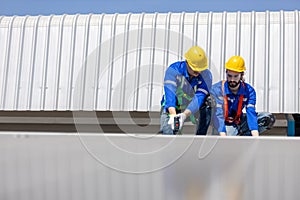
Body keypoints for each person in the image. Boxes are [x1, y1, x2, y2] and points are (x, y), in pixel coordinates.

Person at [210, 55, 275, 136]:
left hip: (239, 121)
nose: (232, 80)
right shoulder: (217, 90)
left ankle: (244, 139)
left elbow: (250, 112)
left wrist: (255, 135)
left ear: (242, 75)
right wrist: (223, 136)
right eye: (229, 76)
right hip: (224, 124)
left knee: (268, 118)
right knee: (229, 136)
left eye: (236, 76)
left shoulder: (249, 91)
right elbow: (218, 115)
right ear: (226, 73)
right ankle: (235, 138)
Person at [160, 46, 213, 135]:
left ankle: (200, 138)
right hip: (173, 106)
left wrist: (184, 115)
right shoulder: (173, 70)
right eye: (195, 68)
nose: (198, 72)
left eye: (200, 69)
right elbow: (170, 94)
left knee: (209, 102)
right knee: (168, 134)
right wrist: (173, 116)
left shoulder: (206, 75)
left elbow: (199, 97)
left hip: (193, 107)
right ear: (187, 63)